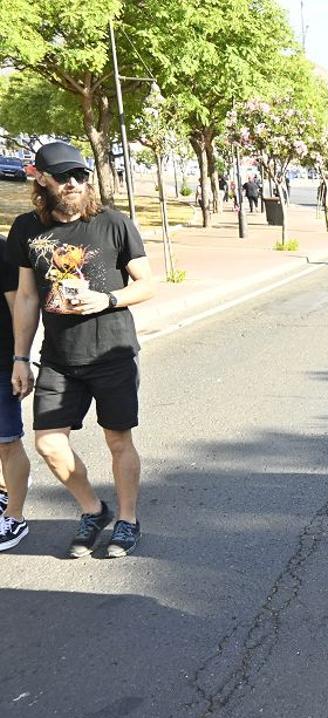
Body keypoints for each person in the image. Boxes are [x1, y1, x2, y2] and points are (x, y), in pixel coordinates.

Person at [7, 141, 155, 557]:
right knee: (48, 444)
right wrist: (21, 358)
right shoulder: (26, 229)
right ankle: (93, 509)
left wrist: (106, 299)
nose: (73, 183)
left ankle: (127, 519)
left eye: (80, 175)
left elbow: (147, 283)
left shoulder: (113, 223)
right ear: (42, 179)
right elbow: (27, 297)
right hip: (58, 358)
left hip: (111, 352)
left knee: (118, 440)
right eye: (63, 176)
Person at [0, 235, 31, 552]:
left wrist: (20, 360)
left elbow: (17, 308)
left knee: (7, 441)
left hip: (0, 363)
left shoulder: (2, 251)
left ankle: (15, 516)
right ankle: (3, 489)